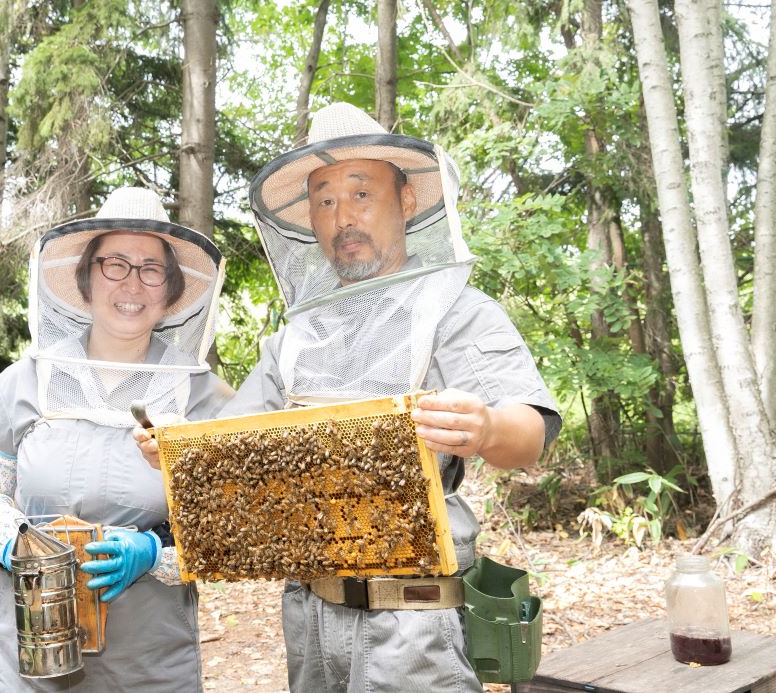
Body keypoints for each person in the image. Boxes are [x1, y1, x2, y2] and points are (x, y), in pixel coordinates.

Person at [136, 102, 562, 692]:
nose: (343, 218)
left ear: (407, 201)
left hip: (415, 623)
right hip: (308, 613)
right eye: (325, 201)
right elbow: (228, 447)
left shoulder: (457, 310)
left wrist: (486, 427)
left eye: (361, 194)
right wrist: (175, 451)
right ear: (308, 219)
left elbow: (532, 433)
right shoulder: (293, 340)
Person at [0, 186, 232, 692]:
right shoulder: (21, 384)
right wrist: (19, 544)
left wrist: (156, 552)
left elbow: (235, 526)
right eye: (115, 264)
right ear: (85, 278)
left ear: (171, 290)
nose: (133, 283)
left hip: (150, 659)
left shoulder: (206, 399)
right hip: (31, 651)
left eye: (152, 269)